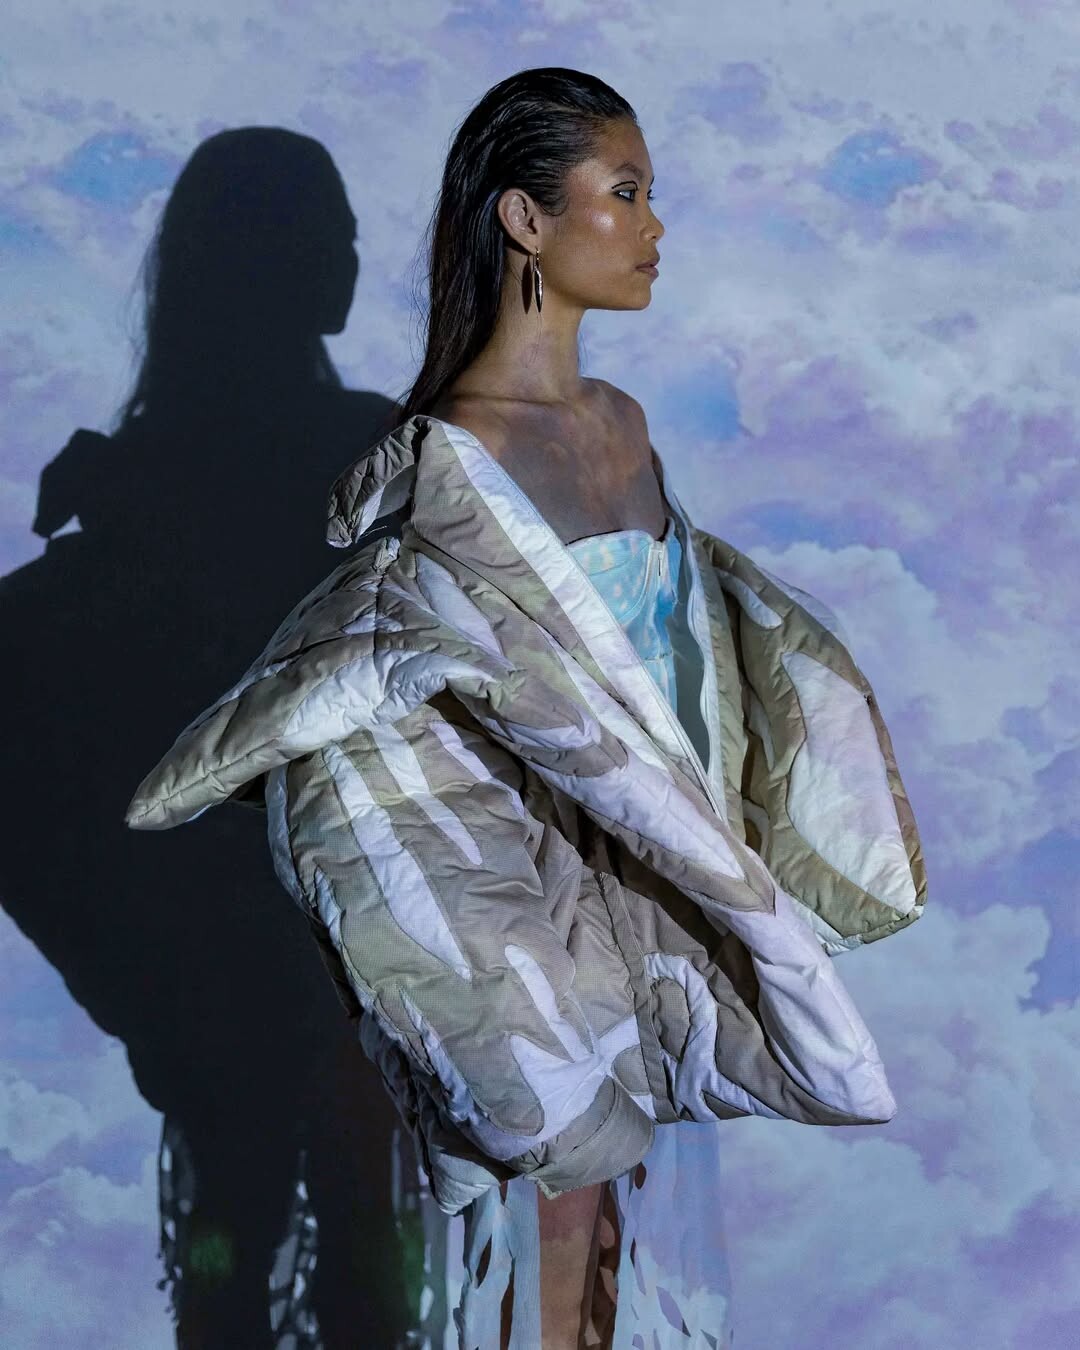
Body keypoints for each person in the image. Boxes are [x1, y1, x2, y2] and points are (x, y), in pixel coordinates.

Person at [125, 71, 927, 1349]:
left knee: (617, 1247)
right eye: (626, 192)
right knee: (520, 1242)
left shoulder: (622, 427)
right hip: (519, 901)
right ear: (526, 219)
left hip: (657, 890)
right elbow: (395, 686)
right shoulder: (452, 453)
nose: (653, 226)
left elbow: (685, 663)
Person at [2, 127, 408, 1345]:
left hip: (226, 986)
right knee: (342, 1244)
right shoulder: (374, 461)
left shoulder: (130, 499)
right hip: (324, 965)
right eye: (331, 238)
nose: (351, 261)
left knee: (255, 1218)